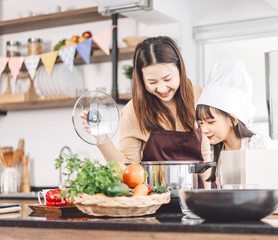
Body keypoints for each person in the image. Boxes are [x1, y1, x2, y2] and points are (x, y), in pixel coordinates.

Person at [81, 36, 211, 187]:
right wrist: (100, 136)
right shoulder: (134, 110)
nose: (162, 89)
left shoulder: (199, 95)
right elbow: (127, 171)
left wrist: (207, 199)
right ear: (141, 80)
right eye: (152, 82)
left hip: (196, 199)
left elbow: (205, 156)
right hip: (154, 202)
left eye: (168, 79)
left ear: (180, 69)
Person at [196, 59, 278, 204]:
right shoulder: (220, 150)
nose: (204, 129)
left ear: (233, 119)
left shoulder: (260, 146)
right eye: (201, 123)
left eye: (211, 122)